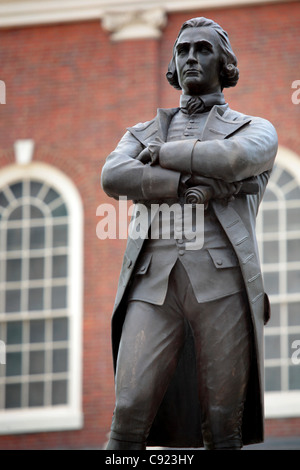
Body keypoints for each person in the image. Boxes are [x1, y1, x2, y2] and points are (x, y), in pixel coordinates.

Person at [101, 17, 278, 450]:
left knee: (223, 424)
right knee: (127, 413)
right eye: (182, 50)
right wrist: (183, 184)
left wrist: (164, 155)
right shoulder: (138, 132)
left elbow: (236, 160)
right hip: (151, 285)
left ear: (225, 63)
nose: (191, 58)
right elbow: (113, 175)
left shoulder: (253, 128)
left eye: (203, 49)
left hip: (221, 284)